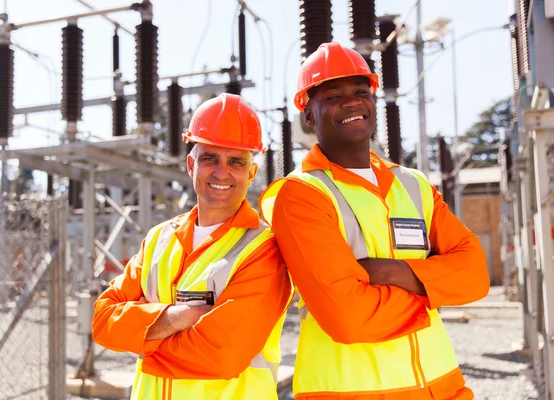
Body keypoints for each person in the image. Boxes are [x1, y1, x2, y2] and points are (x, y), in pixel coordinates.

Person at [259, 42, 490, 399]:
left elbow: (475, 274)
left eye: (360, 91)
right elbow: (348, 317)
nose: (351, 101)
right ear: (308, 113)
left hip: (440, 388)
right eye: (333, 95)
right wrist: (433, 292)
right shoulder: (299, 195)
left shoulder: (413, 185)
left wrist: (393, 273)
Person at [93, 93, 293, 400]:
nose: (221, 172)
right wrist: (176, 317)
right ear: (191, 164)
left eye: (236, 161)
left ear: (251, 173)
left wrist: (142, 336)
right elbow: (103, 320)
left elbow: (221, 353)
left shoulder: (264, 250)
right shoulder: (159, 240)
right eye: (210, 158)